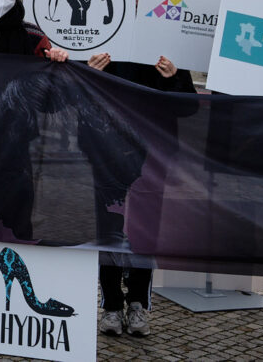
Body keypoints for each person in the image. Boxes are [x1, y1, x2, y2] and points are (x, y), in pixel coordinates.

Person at [87, 49, 193, 338]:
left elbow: (189, 106)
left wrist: (173, 79)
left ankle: (137, 304)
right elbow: (78, 99)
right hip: (107, 152)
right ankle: (111, 305)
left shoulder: (166, 44)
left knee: (145, 232)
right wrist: (89, 73)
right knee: (107, 230)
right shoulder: (105, 41)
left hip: (153, 156)